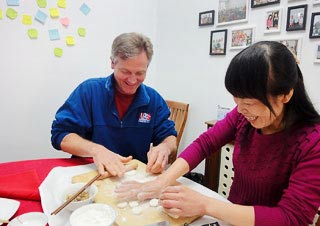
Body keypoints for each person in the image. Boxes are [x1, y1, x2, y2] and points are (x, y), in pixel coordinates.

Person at [115, 41, 320, 226]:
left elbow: (291, 218)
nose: (239, 110)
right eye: (236, 100)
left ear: (286, 95)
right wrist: (162, 181)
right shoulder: (243, 116)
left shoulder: (312, 142)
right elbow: (205, 143)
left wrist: (206, 205)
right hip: (231, 218)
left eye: (248, 103)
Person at [51, 32, 177, 177]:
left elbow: (169, 137)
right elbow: (60, 135)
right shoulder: (89, 91)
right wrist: (96, 150)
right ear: (112, 62)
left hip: (133, 179)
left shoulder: (153, 99)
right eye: (125, 71)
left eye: (140, 73)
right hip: (91, 175)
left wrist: (165, 147)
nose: (132, 80)